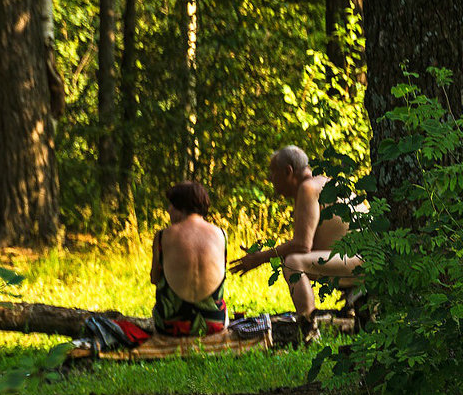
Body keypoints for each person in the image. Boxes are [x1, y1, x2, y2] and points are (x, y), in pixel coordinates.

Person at [229, 146, 363, 341]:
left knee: (293, 262)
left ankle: (309, 331)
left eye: (273, 174)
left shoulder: (308, 188)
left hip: (361, 262)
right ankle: (338, 318)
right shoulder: (324, 183)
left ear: (288, 172)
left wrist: (260, 258)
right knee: (296, 259)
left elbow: (302, 246)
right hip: (363, 260)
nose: (271, 180)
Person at [150, 181, 228, 336]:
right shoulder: (221, 234)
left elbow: (154, 278)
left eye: (171, 204)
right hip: (213, 324)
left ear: (180, 205)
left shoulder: (162, 237)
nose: (168, 209)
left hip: (170, 325)